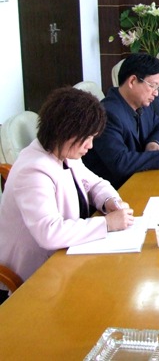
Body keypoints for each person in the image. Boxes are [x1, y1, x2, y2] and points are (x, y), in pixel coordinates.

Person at [0, 87, 134, 302]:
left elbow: (95, 183)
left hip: (66, 255)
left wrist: (110, 201)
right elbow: (49, 233)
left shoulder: (64, 152)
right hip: (36, 275)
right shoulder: (33, 170)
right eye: (87, 138)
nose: (90, 146)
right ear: (65, 131)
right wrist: (107, 223)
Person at [83, 54, 159, 190]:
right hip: (118, 189)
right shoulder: (107, 114)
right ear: (132, 81)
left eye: (158, 87)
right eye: (153, 86)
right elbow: (120, 163)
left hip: (141, 178)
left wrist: (154, 143)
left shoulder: (142, 104)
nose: (156, 93)